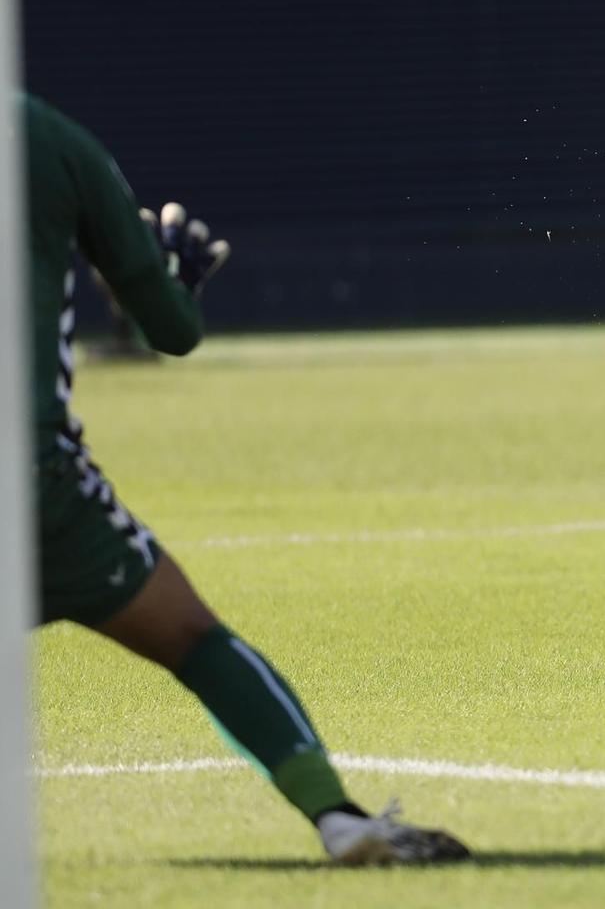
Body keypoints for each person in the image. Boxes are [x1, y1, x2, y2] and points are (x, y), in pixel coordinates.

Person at [22, 93, 469, 866]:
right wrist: (174, 280)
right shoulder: (51, 140)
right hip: (33, 482)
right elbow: (171, 331)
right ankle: (338, 818)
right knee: (194, 639)